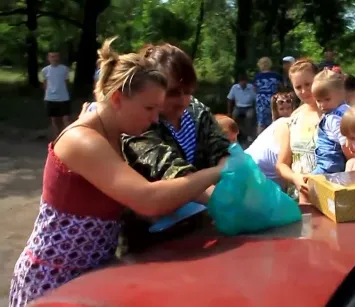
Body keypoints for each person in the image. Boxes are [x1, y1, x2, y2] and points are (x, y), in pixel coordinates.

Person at [9, 38, 224, 307]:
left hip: (91, 276)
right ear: (117, 98)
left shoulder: (115, 137)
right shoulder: (82, 140)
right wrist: (217, 172)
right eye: (149, 108)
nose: (155, 119)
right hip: (55, 280)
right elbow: (148, 198)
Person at [120, 43, 231, 253]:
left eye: (188, 91)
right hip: (150, 243)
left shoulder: (196, 111)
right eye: (172, 93)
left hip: (201, 230)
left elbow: (223, 150)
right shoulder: (140, 123)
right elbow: (171, 171)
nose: (183, 101)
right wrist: (227, 203)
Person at [276, 59, 321, 204]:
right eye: (298, 87)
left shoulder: (334, 114)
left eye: (308, 84)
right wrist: (295, 178)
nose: (304, 91)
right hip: (299, 195)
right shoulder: (293, 119)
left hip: (329, 192)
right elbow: (282, 164)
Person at [245, 93, 296, 189]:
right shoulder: (283, 123)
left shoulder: (281, 124)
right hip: (254, 175)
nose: (286, 111)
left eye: (288, 107)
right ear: (276, 110)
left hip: (250, 167)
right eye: (281, 109)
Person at [311, 70, 351, 174]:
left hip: (329, 164)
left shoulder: (333, 117)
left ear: (341, 94)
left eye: (327, 99)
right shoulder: (348, 109)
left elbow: (345, 143)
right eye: (318, 100)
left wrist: (351, 161)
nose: (322, 105)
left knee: (310, 183)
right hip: (334, 163)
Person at [42, 51, 71, 137]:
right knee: (54, 119)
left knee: (66, 119)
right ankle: (57, 137)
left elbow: (66, 82)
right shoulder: (45, 70)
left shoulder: (64, 69)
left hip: (63, 98)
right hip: (50, 98)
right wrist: (47, 95)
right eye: (52, 56)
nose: (54, 58)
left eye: (56, 56)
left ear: (59, 58)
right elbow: (45, 84)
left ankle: (68, 137)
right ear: (48, 58)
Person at [255, 57, 282, 134]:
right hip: (273, 98)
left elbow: (255, 88)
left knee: (261, 122)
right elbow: (281, 87)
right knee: (274, 119)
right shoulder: (276, 76)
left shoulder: (257, 76)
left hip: (261, 99)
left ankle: (259, 141)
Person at [227, 73, 256, 143]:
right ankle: (234, 135)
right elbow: (230, 99)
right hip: (238, 107)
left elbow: (256, 98)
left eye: (244, 81)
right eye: (241, 81)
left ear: (247, 81)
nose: (243, 83)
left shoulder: (251, 87)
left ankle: (249, 135)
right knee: (234, 116)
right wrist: (229, 112)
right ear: (239, 82)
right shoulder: (235, 88)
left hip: (248, 107)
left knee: (250, 116)